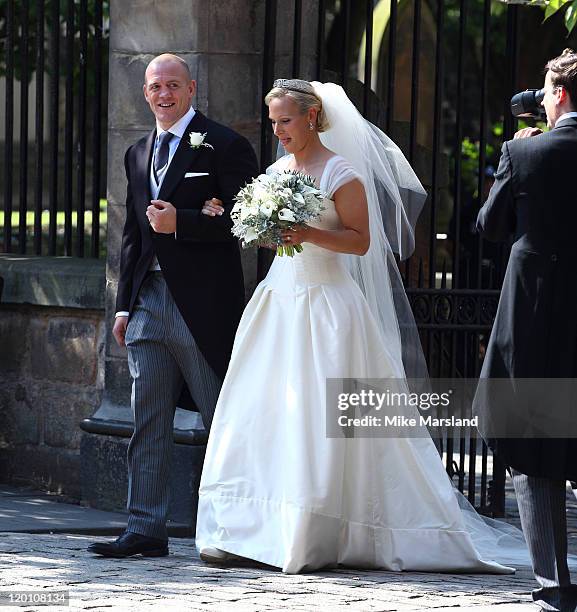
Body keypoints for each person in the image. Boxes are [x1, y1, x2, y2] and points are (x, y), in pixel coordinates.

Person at [194, 79, 523, 574]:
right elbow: (277, 241)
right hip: (279, 302)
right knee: (269, 412)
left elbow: (361, 242)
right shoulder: (278, 170)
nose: (279, 131)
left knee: (322, 416)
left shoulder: (341, 172)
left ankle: (322, 529)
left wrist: (304, 231)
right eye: (273, 123)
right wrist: (261, 228)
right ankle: (253, 528)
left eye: (286, 120)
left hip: (327, 307)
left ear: (311, 117)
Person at [88, 54, 258, 558]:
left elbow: (245, 222)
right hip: (147, 305)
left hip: (203, 306)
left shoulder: (226, 144)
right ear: (145, 92)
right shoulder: (137, 152)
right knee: (148, 419)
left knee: (221, 419)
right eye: (155, 86)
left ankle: (239, 529)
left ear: (192, 89)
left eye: (174, 85)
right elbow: (131, 236)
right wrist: (123, 307)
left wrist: (181, 221)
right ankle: (145, 528)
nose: (164, 94)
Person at [476, 49, 577, 611]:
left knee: (529, 438)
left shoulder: (525, 150)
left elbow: (489, 227)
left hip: (536, 312)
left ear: (558, 95)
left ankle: (553, 583)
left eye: (544, 89)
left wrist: (511, 163)